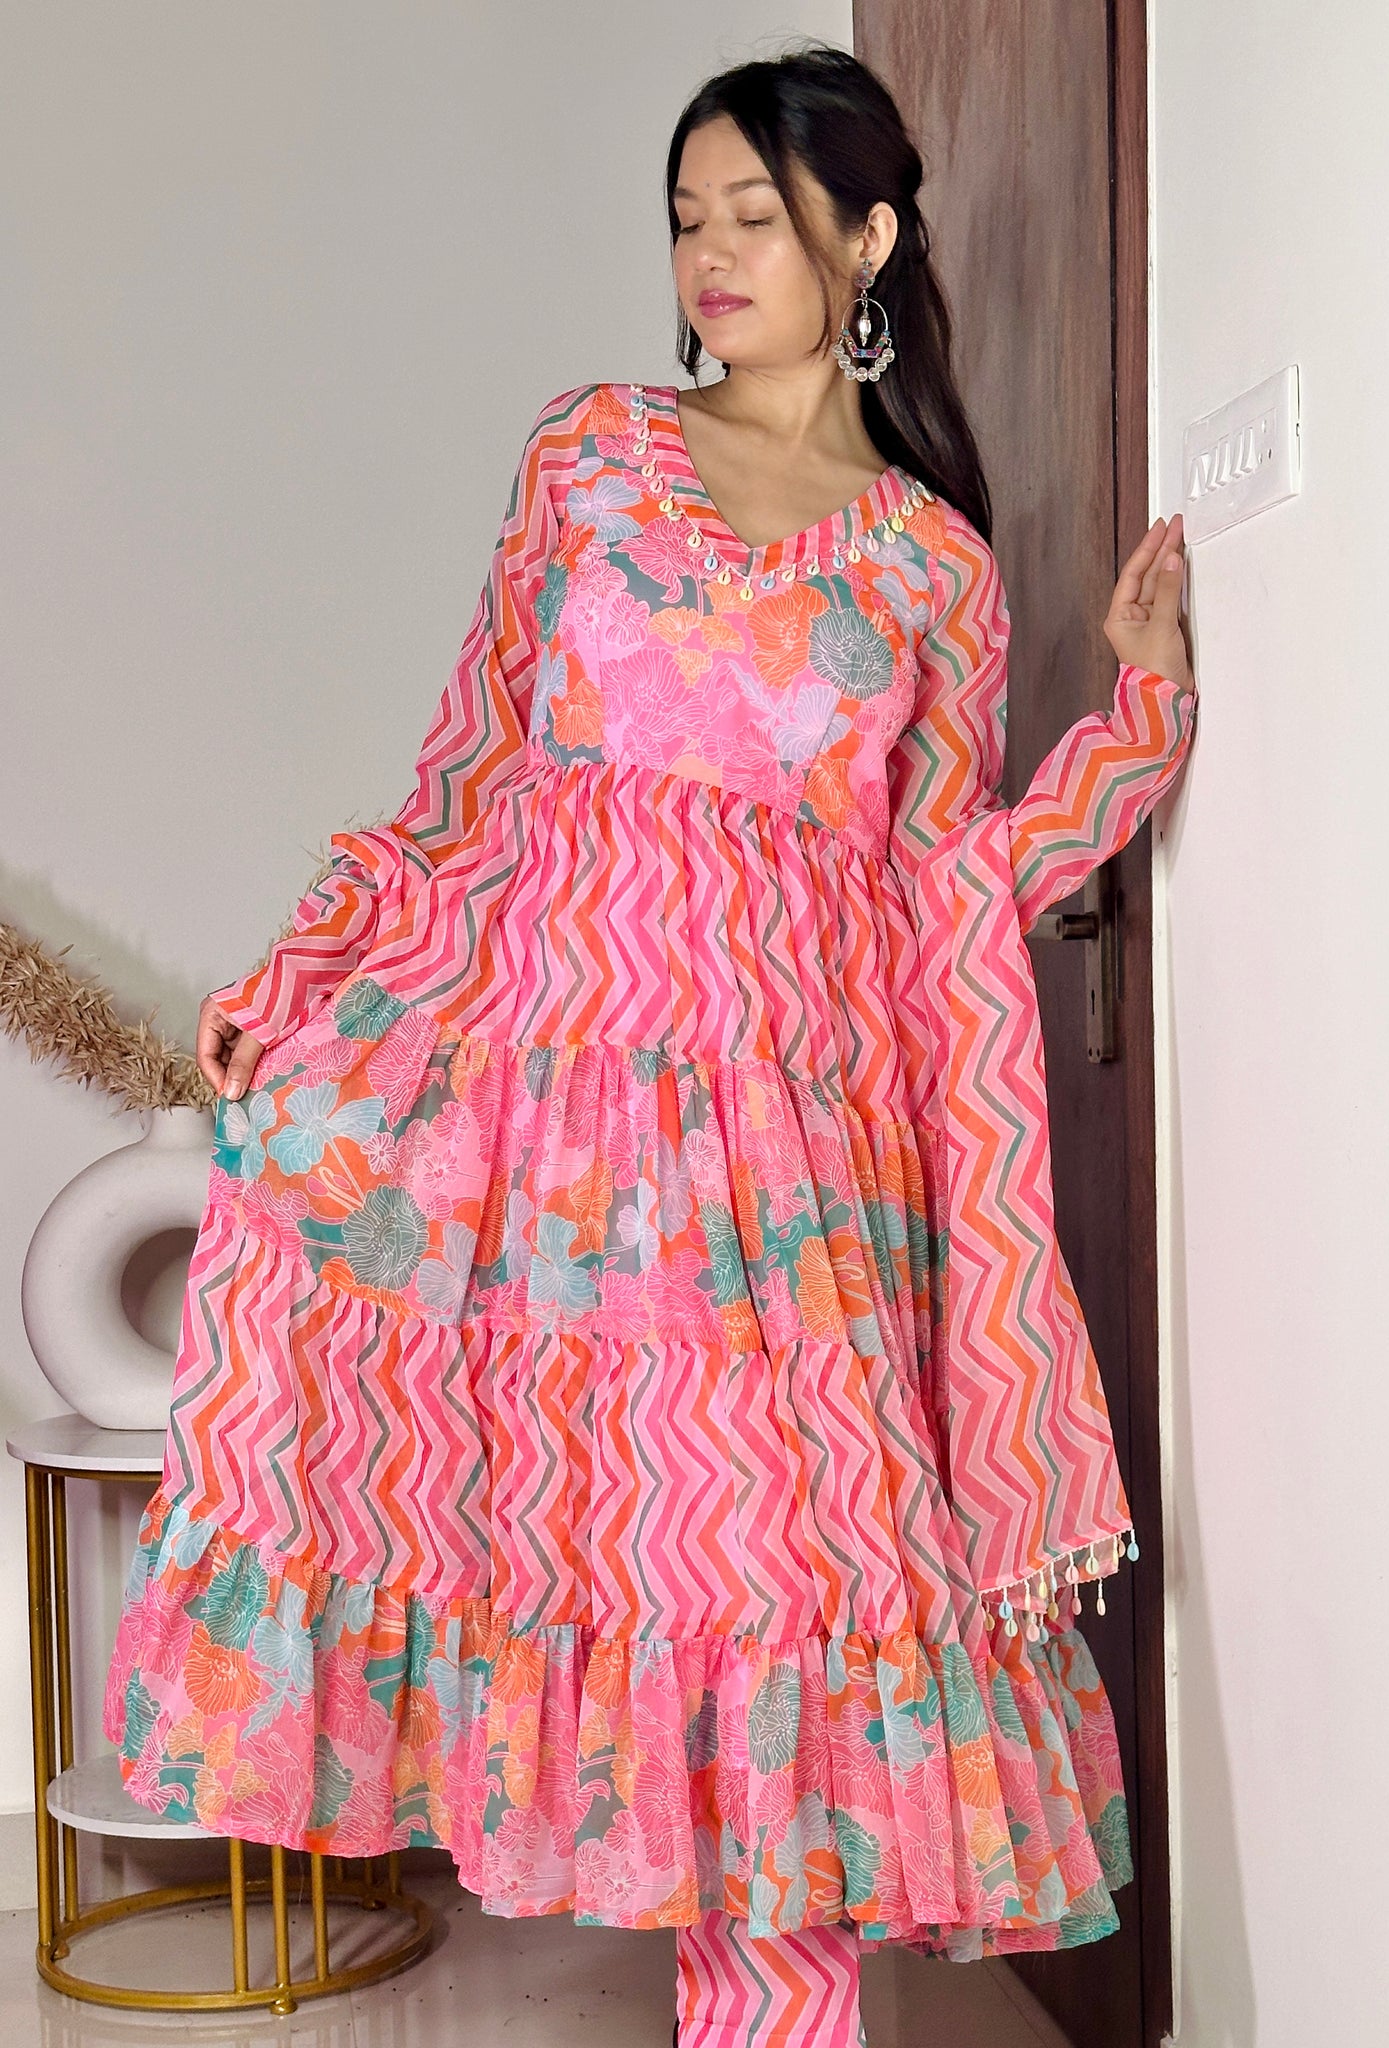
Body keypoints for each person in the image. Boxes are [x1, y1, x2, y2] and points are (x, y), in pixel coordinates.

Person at [103, 42, 1198, 2048]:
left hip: (799, 1176)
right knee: (635, 1605)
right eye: (687, 217)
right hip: (566, 1149)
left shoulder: (932, 567)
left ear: (868, 238)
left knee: (781, 1623)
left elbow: (942, 881)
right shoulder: (592, 457)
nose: (710, 254)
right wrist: (315, 966)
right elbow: (474, 775)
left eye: (754, 215)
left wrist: (1129, 736)